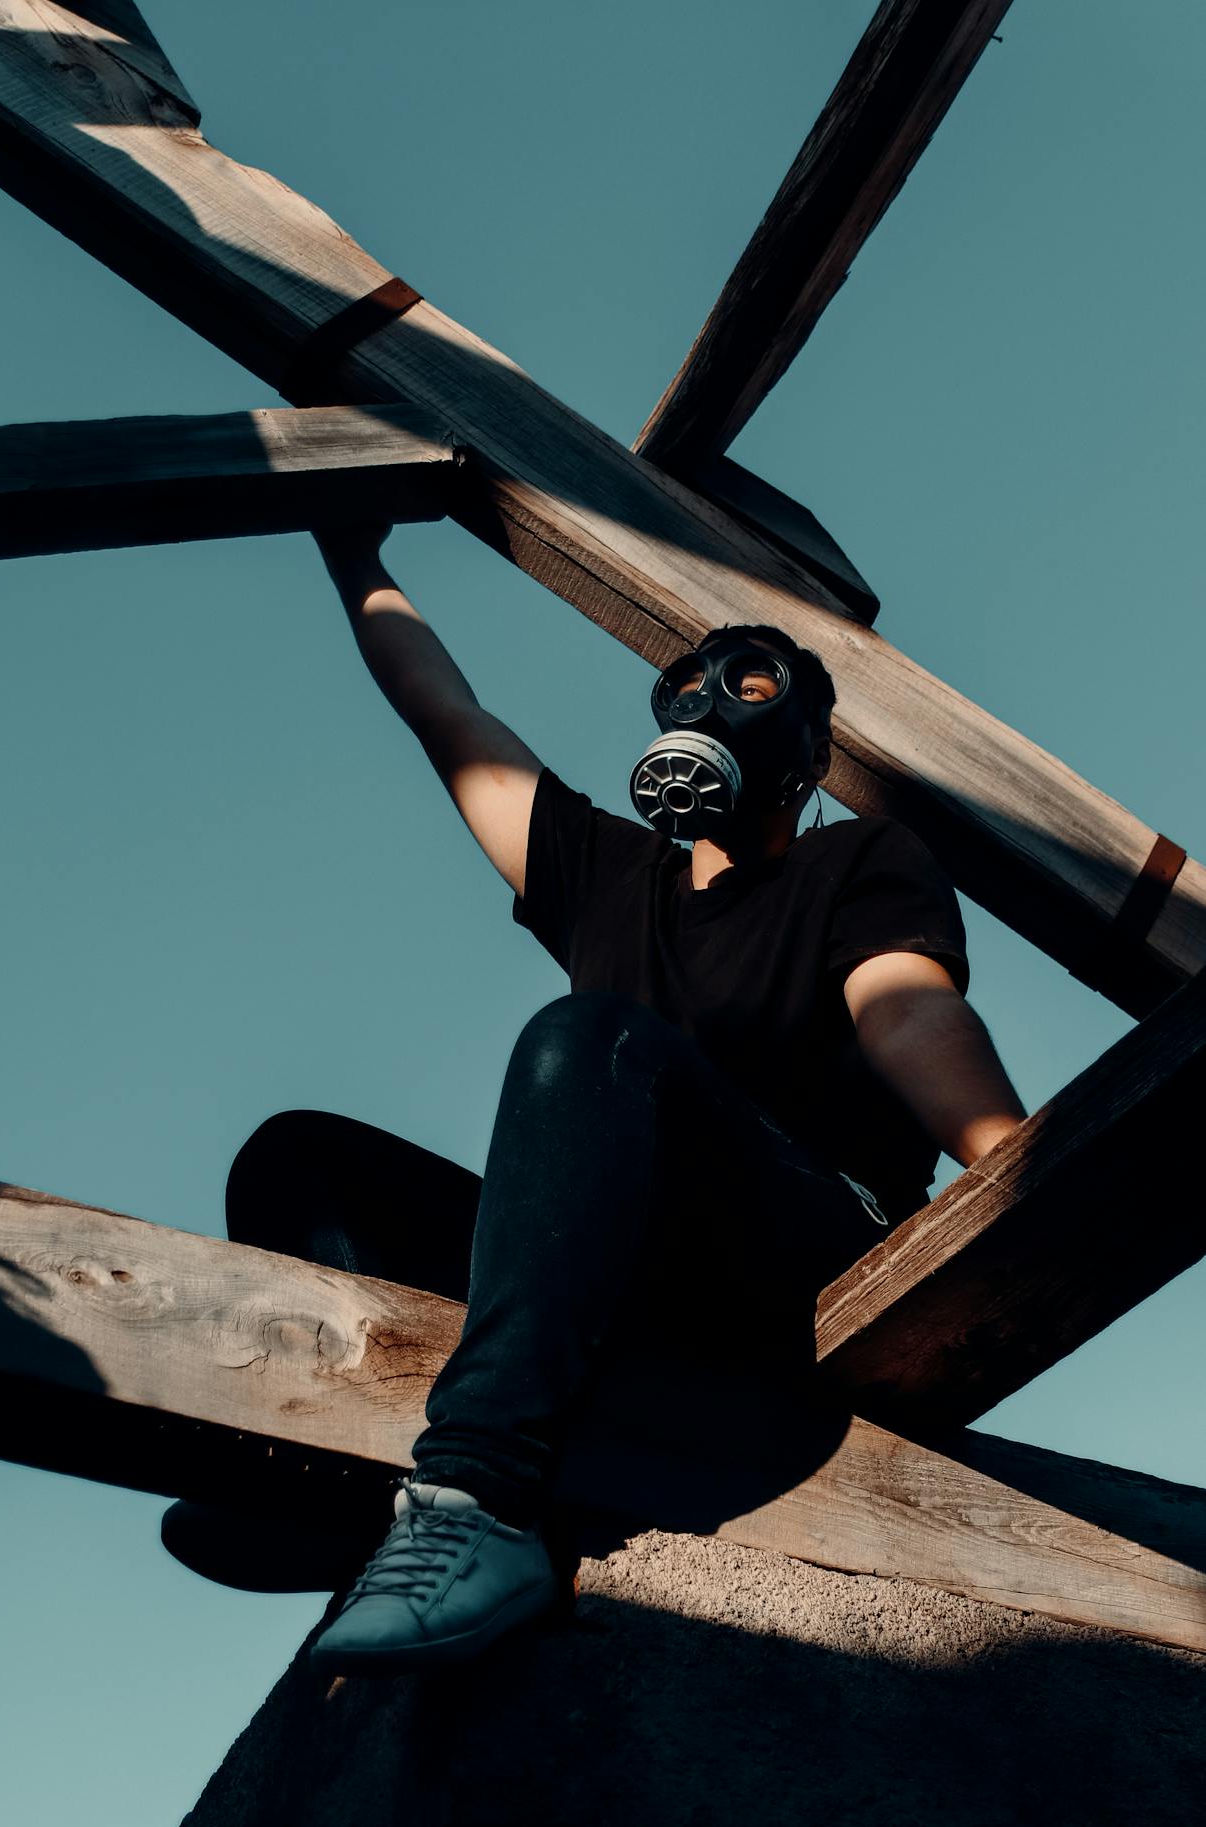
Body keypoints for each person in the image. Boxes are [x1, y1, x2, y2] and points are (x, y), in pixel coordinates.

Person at [163, 528, 1027, 1673]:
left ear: (807, 756)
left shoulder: (857, 861)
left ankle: (480, 1505)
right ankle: (330, 1479)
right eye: (687, 687)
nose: (711, 705)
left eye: (751, 687)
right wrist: (350, 553)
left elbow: (905, 1009)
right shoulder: (607, 875)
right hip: (628, 1273)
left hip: (809, 1249)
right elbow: (447, 715)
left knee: (592, 1042)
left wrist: (1015, 1174)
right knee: (302, 1161)